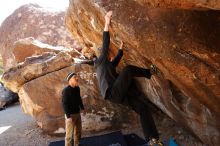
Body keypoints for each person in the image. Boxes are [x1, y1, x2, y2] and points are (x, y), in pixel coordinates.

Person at [83, 11, 163, 146]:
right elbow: (106, 43)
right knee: (128, 70)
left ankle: (153, 140)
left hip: (118, 95)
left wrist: (121, 49)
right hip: (113, 92)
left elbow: (115, 62)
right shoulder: (100, 61)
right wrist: (107, 22)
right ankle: (149, 72)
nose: (108, 54)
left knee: (143, 109)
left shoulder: (105, 65)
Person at [62, 72, 84, 146]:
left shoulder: (77, 88)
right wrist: (68, 117)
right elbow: (64, 104)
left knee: (78, 131)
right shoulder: (66, 90)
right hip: (70, 115)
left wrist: (82, 108)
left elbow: (79, 99)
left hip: (77, 113)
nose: (77, 78)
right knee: (69, 135)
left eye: (77, 77)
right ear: (70, 80)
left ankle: (77, 144)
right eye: (75, 77)